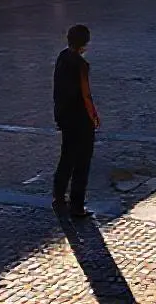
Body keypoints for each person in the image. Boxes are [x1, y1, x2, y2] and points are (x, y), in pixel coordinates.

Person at [53, 24, 100, 221]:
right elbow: (85, 94)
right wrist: (94, 117)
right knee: (82, 162)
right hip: (80, 119)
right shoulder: (81, 65)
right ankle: (77, 205)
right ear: (84, 44)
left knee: (66, 156)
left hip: (64, 115)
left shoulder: (62, 57)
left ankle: (58, 194)